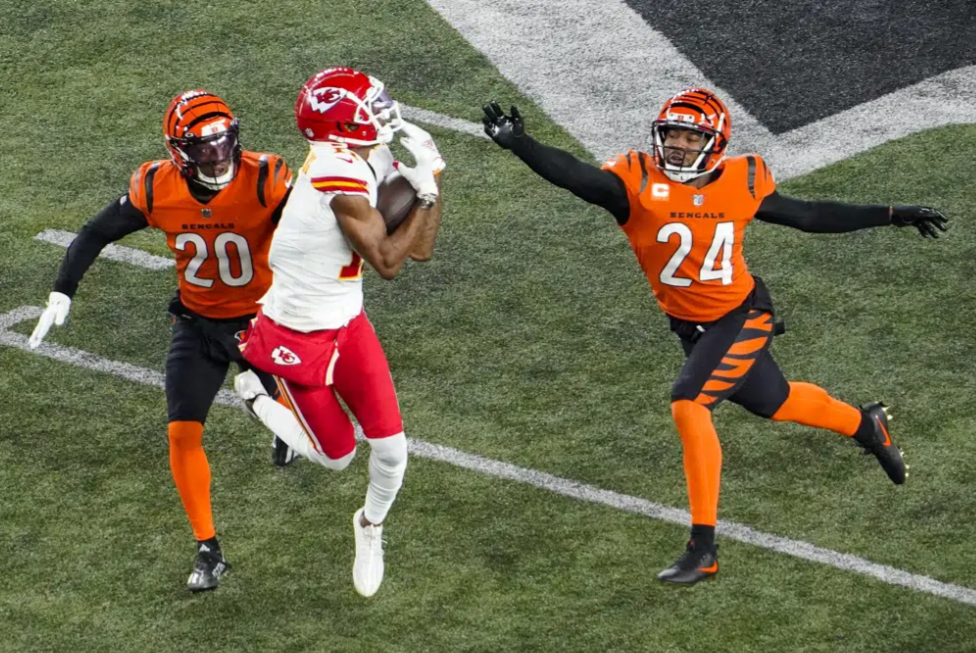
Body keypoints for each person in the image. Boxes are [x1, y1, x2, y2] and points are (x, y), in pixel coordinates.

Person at [481, 88, 948, 585]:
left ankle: (703, 547)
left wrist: (891, 213)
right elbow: (577, 177)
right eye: (672, 134)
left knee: (690, 404)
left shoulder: (741, 181)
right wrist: (522, 144)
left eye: (690, 136)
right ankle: (865, 424)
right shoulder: (635, 183)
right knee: (777, 400)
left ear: (715, 142)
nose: (678, 145)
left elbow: (809, 215)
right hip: (693, 325)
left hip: (742, 315)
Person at [29, 90, 297, 592]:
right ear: (178, 151)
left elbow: (314, 232)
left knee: (288, 402)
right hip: (196, 322)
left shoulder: (267, 177)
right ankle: (208, 548)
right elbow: (93, 233)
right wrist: (62, 290)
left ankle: (286, 425)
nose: (217, 154)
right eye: (204, 146)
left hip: (263, 320)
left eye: (224, 142)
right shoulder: (156, 186)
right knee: (181, 432)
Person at [233, 67, 445, 597]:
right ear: (341, 125)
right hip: (297, 331)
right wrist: (427, 185)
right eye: (369, 108)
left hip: (346, 321)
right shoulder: (337, 172)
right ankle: (255, 393)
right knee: (337, 455)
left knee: (393, 450)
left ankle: (370, 526)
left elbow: (419, 249)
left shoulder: (363, 155)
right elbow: (390, 262)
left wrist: (428, 188)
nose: (382, 112)